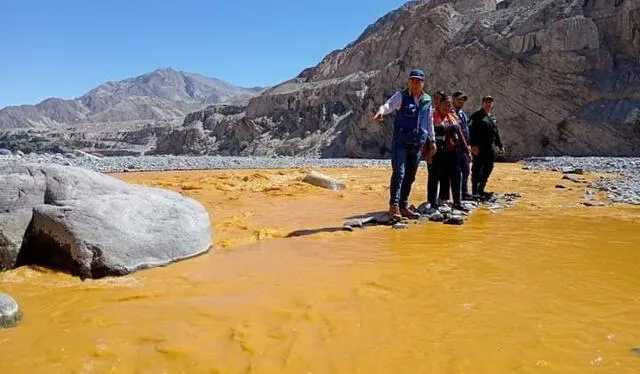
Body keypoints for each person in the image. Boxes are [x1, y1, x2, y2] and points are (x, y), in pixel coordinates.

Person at [373, 69, 436, 220]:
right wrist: (381, 112)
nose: (415, 83)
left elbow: (429, 121)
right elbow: (388, 105)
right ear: (408, 81)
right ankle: (393, 206)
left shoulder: (427, 99)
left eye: (418, 81)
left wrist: (432, 140)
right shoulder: (401, 95)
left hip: (417, 143)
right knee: (399, 173)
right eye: (412, 80)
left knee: (410, 176)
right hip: (400, 142)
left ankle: (403, 205)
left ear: (422, 83)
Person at [426, 94, 471, 211]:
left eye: (449, 105)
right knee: (434, 177)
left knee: (456, 177)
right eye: (444, 105)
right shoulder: (432, 117)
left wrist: (467, 151)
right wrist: (426, 153)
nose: (447, 107)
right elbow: (426, 136)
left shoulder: (453, 117)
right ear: (439, 105)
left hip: (453, 152)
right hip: (436, 153)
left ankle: (457, 202)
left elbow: (460, 136)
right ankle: (432, 202)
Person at [469, 95, 505, 198]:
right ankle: (475, 191)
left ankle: (481, 189)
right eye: (486, 102)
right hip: (479, 148)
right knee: (477, 169)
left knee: (488, 167)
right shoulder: (476, 116)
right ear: (482, 103)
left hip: (490, 147)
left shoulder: (492, 118)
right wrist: (473, 145)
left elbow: (496, 133)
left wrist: (500, 145)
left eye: (490, 102)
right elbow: (470, 131)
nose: (488, 104)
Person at [452, 90, 472, 200]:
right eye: (459, 99)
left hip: (464, 147)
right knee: (457, 172)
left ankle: (464, 192)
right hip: (454, 147)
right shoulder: (450, 113)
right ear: (453, 99)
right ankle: (457, 195)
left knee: (465, 170)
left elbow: (466, 131)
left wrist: (468, 145)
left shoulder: (463, 114)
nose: (461, 102)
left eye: (463, 100)